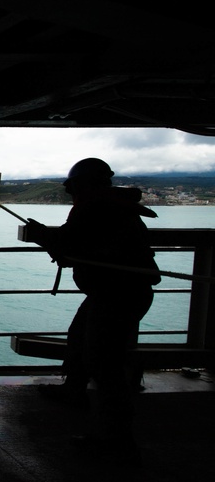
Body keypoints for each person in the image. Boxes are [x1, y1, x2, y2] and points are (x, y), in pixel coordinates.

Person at [23, 157, 160, 465]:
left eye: (73, 188)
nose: (71, 194)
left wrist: (43, 235)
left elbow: (71, 247)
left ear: (82, 185)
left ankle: (117, 441)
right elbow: (82, 244)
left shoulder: (95, 208)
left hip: (117, 294)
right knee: (80, 335)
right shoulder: (110, 207)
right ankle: (74, 390)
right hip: (119, 290)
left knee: (105, 366)